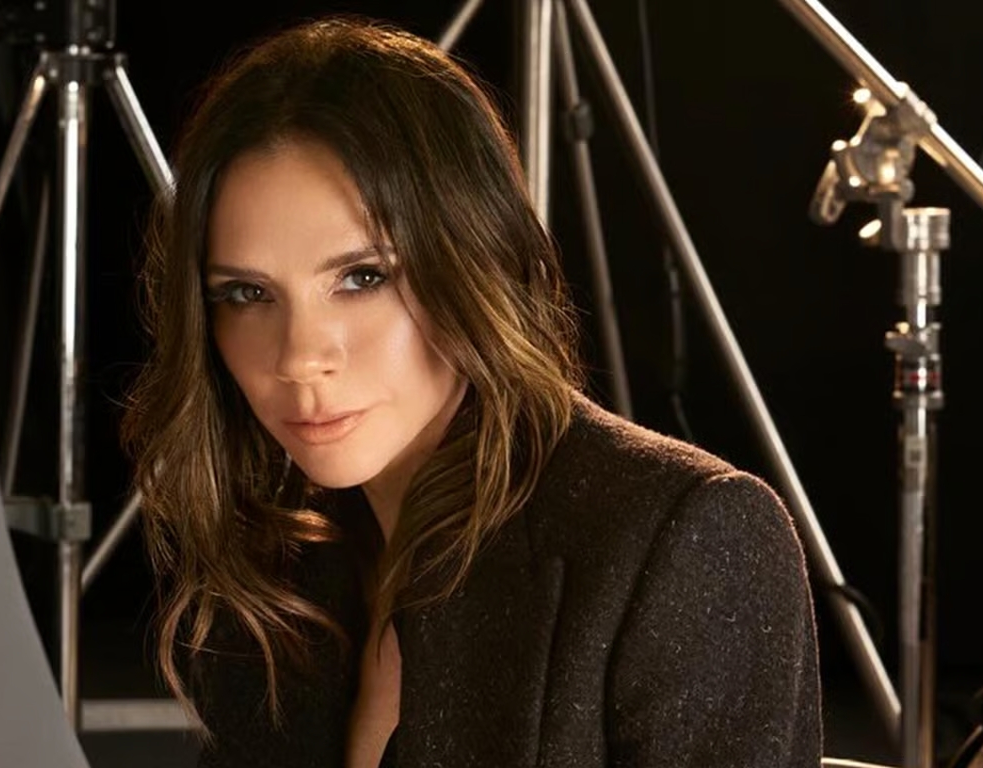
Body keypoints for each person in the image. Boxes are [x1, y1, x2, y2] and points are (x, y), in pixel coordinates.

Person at [120, 14, 821, 768]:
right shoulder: (280, 565)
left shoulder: (688, 540)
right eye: (248, 294)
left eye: (363, 277)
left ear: (476, 258)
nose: (300, 358)